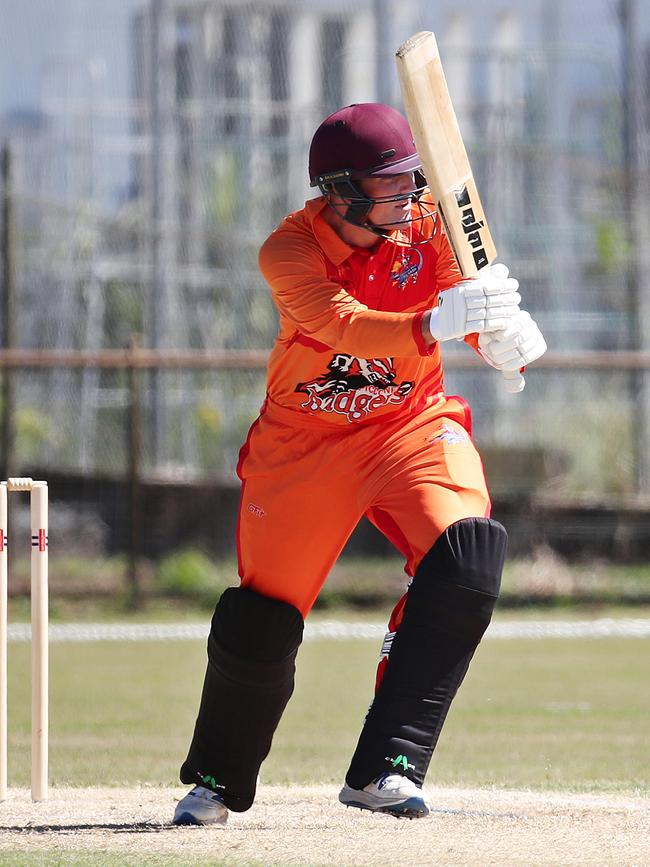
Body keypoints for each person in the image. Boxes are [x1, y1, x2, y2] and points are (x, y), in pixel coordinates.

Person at [173, 103, 546, 825]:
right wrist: (441, 321)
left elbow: (466, 294)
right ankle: (217, 777)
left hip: (410, 424)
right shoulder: (288, 249)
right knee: (263, 616)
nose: (410, 196)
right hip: (305, 444)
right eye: (391, 185)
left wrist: (497, 334)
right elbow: (337, 322)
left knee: (469, 555)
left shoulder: (431, 221)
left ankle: (387, 765)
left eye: (413, 179)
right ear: (339, 192)